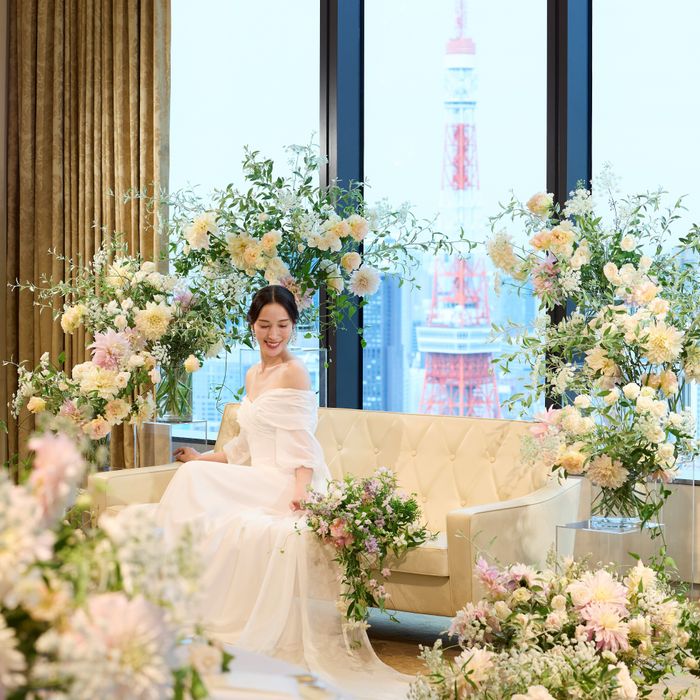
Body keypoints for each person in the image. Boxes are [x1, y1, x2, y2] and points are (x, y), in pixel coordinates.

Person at [153, 284, 407, 699]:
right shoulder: (253, 374)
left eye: (283, 325)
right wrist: (202, 458)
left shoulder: (294, 372)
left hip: (286, 480)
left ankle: (175, 602)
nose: (274, 335)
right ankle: (173, 601)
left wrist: (302, 492)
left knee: (195, 482)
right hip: (259, 474)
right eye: (265, 325)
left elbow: (302, 444)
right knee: (192, 475)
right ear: (252, 325)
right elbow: (244, 447)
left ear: (293, 326)